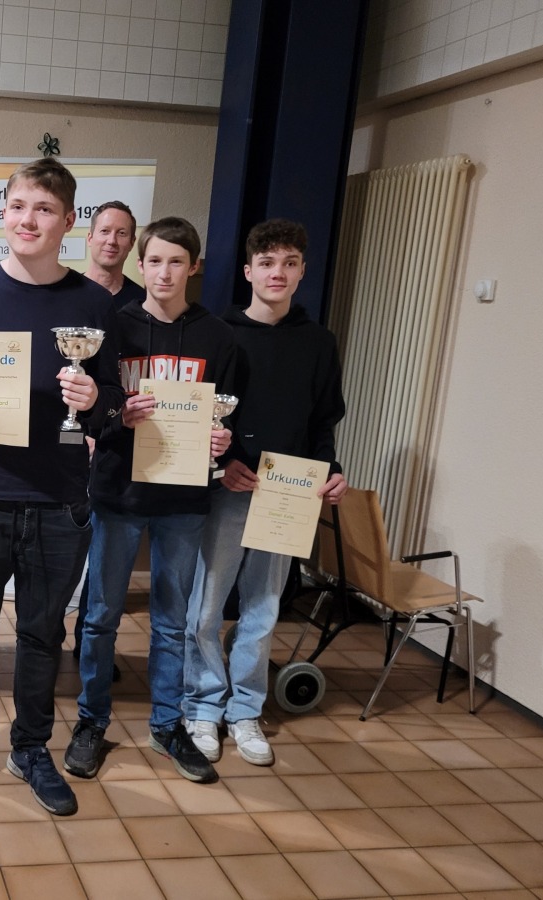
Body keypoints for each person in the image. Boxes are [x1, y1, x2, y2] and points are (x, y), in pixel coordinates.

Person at [0, 158, 124, 816]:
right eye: (17, 206)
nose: (27, 219)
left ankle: (32, 748)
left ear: (67, 222)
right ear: (2, 213)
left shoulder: (94, 304)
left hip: (60, 501)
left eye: (43, 209)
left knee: (42, 635)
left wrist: (95, 400)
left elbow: (114, 399)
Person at [64, 217, 234, 784]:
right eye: (155, 261)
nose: (164, 273)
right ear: (141, 265)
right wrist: (117, 413)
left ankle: (167, 723)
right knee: (100, 616)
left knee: (171, 621)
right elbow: (93, 410)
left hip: (183, 499)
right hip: (118, 490)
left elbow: (230, 410)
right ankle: (91, 720)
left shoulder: (216, 336)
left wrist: (224, 439)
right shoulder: (113, 327)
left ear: (194, 267)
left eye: (176, 262)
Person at [185, 218, 347, 766]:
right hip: (229, 487)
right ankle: (203, 705)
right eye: (268, 263)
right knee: (207, 606)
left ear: (302, 272)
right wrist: (223, 462)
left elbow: (323, 421)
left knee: (262, 607)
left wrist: (331, 469)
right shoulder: (219, 334)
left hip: (289, 492)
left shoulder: (318, 342)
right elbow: (205, 414)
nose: (278, 272)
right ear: (249, 271)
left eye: (289, 263)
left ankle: (245, 709)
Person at [73, 200, 144, 668]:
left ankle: (90, 646)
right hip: (64, 443)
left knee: (103, 554)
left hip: (117, 444)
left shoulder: (139, 306)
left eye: (121, 233)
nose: (111, 241)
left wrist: (108, 425)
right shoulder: (69, 295)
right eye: (104, 231)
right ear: (88, 237)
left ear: (131, 243)